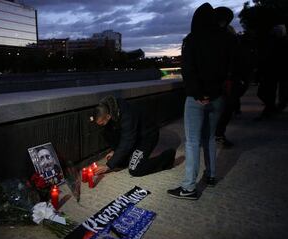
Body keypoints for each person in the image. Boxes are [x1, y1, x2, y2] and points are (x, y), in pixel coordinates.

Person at [167, 3, 234, 200]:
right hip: (217, 97)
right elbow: (229, 67)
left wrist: (198, 94)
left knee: (193, 142)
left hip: (197, 99)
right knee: (210, 138)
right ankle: (211, 176)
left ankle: (188, 188)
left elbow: (188, 70)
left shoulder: (192, 39)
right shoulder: (226, 39)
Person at [91, 96, 176, 177]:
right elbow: (116, 135)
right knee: (119, 162)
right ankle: (129, 156)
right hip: (134, 137)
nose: (101, 126)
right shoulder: (110, 112)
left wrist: (108, 166)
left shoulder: (126, 114)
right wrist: (114, 150)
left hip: (147, 137)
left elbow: (127, 141)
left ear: (108, 116)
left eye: (102, 123)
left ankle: (167, 156)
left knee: (135, 169)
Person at [214, 7, 252, 148]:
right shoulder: (232, 40)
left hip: (222, 81)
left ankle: (216, 134)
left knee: (223, 109)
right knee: (226, 108)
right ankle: (218, 134)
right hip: (228, 81)